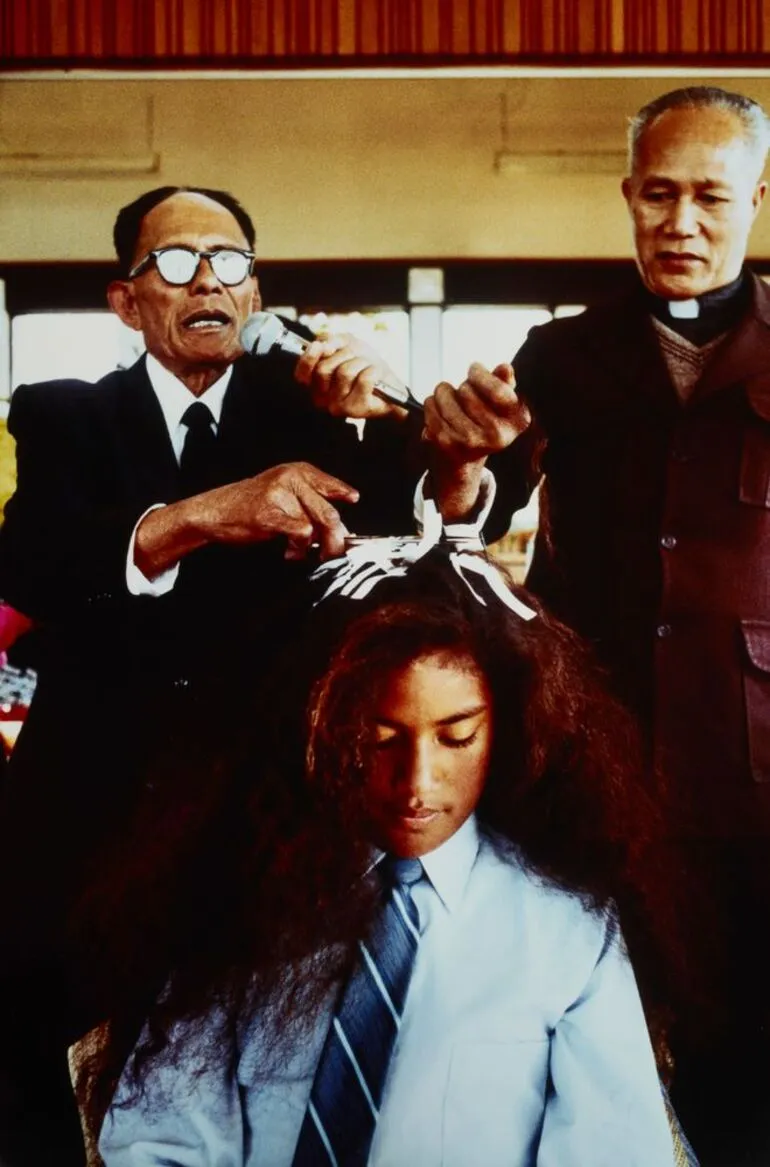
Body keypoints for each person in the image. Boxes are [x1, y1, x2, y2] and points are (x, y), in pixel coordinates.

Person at [0, 186, 523, 1167]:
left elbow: (431, 535)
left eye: (230, 261)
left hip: (258, 823)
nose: (208, 279)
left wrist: (413, 424)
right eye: (176, 262)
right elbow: (36, 563)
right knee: (45, 1088)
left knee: (249, 1089)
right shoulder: (65, 415)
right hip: (82, 818)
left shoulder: (317, 415)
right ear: (126, 300)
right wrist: (208, 512)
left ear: (255, 290)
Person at [69, 538, 687, 1165]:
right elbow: (162, 1143)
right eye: (378, 738)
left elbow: (614, 1150)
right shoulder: (241, 902)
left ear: (513, 728)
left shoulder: (566, 926)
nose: (418, 783)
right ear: (318, 729)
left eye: (457, 736)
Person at [425, 86, 770, 1166]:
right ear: (625, 195)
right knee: (580, 1023)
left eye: (710, 196)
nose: (681, 223)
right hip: (587, 743)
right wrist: (460, 458)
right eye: (657, 193)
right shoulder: (557, 356)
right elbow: (466, 517)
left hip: (751, 762)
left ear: (755, 200)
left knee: (745, 1040)